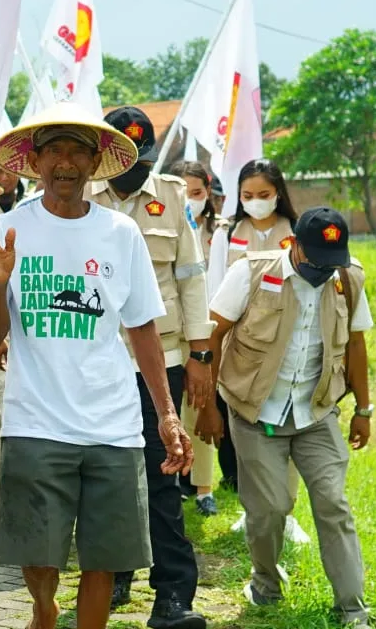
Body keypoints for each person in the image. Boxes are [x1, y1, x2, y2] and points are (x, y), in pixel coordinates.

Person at [0, 101, 195, 629]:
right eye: (54, 150)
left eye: (78, 151)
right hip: (34, 422)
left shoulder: (121, 232)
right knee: (38, 557)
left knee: (104, 558)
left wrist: (167, 414)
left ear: (95, 163)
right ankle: (44, 609)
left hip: (112, 425)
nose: (65, 162)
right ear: (35, 161)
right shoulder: (8, 229)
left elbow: (142, 327)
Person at [200, 208, 375, 629]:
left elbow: (356, 344)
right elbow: (213, 335)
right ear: (293, 244)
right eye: (314, 259)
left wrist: (363, 409)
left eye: (329, 261)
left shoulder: (347, 278)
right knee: (269, 509)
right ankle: (265, 582)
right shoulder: (251, 273)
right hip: (255, 412)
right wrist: (208, 407)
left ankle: (352, 609)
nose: (321, 270)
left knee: (333, 504)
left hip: (315, 411)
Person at [86, 108, 210, 627]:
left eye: (143, 161)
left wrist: (201, 355)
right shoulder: (79, 195)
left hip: (163, 358)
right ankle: (114, 573)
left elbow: (191, 278)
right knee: (107, 475)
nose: (135, 171)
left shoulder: (172, 196)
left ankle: (174, 594)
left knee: (161, 477)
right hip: (95, 361)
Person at [202, 160, 307, 545]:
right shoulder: (227, 233)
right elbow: (214, 291)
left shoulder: (296, 232)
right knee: (245, 434)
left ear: (279, 193)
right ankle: (252, 512)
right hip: (240, 347)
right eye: (248, 195)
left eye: (264, 195)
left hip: (288, 346)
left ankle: (288, 514)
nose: (256, 202)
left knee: (288, 429)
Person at [166, 160, 224, 510]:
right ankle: (172, 482)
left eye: (197, 192)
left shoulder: (220, 231)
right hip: (172, 328)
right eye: (184, 192)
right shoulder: (164, 224)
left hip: (208, 330)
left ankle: (204, 488)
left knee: (199, 405)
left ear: (208, 192)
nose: (190, 199)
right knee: (168, 411)